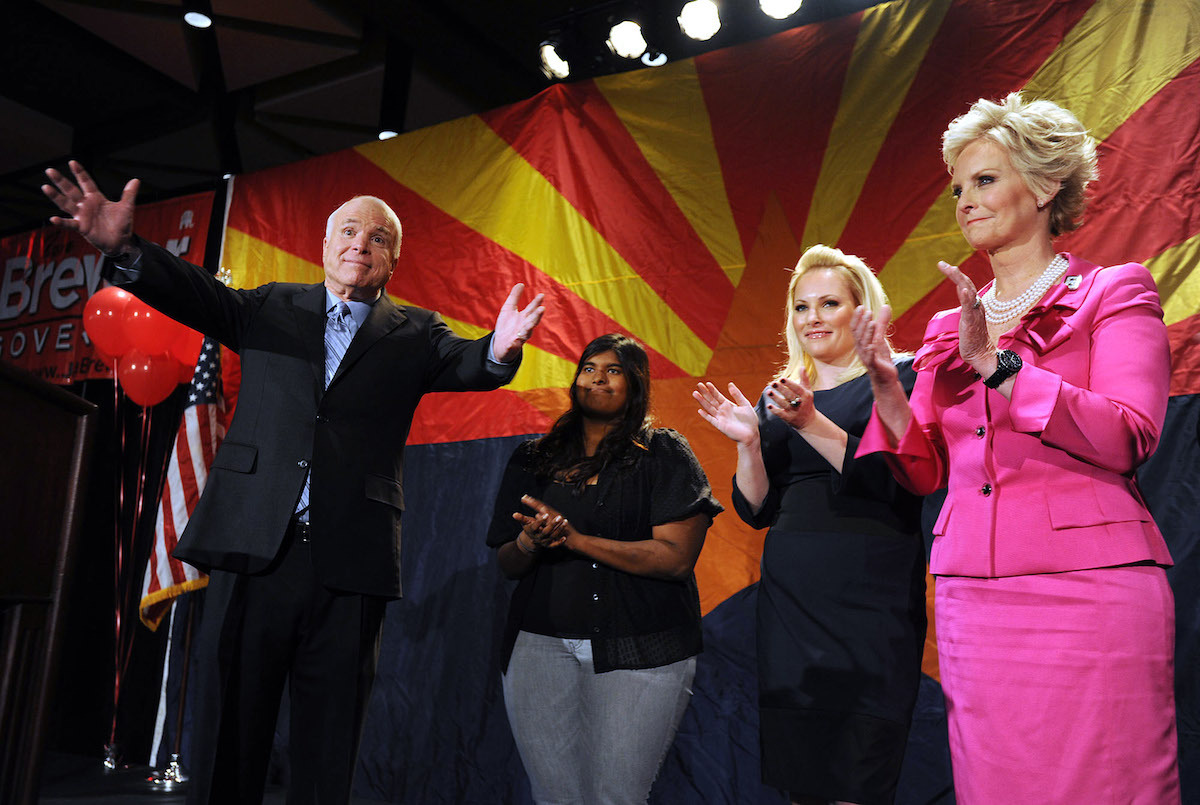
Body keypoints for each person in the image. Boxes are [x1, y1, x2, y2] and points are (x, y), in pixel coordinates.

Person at [42, 161, 546, 805]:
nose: (360, 245)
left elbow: (473, 364)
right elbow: (195, 294)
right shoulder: (273, 305)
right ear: (325, 243)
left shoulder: (417, 332)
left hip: (349, 557)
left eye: (378, 238)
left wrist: (500, 347)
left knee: (330, 737)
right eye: (348, 231)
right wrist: (126, 250)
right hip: (256, 549)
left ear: (393, 261)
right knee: (232, 727)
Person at [851, 93, 1179, 803]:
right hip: (975, 596)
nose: (965, 200)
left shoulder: (1112, 291)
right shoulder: (946, 326)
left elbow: (1128, 434)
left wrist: (1002, 367)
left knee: (1111, 781)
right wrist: (884, 387)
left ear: (1045, 184)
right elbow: (925, 469)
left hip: (1091, 587)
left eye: (985, 180)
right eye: (958, 187)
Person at [694, 245, 926, 805]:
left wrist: (811, 421)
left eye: (829, 303)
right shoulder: (779, 394)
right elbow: (755, 512)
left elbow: (898, 481)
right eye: (802, 307)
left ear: (861, 309)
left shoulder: (900, 378)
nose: (813, 317)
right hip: (791, 605)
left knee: (858, 776)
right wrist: (750, 443)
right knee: (803, 779)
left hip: (872, 602)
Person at [487, 333, 722, 805]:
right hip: (539, 647)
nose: (598, 377)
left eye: (614, 370)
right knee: (554, 796)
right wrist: (529, 541)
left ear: (636, 386)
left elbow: (675, 559)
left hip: (642, 648)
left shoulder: (664, 455)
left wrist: (575, 540)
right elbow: (506, 563)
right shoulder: (533, 457)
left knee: (616, 796)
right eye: (589, 367)